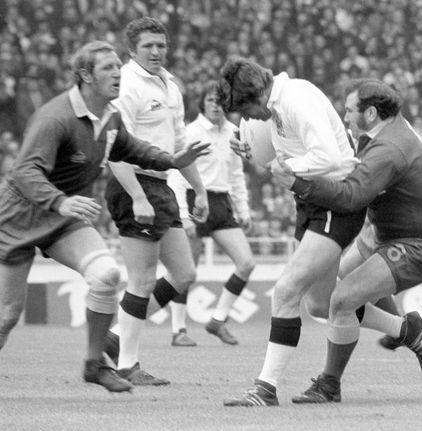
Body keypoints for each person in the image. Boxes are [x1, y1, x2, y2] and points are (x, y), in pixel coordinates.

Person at [0, 40, 209, 392]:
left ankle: (94, 364)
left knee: (106, 275)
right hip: (22, 217)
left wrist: (173, 161)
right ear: (84, 75)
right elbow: (24, 172)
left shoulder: (110, 116)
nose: (117, 73)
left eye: (117, 66)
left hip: (65, 217)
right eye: (108, 68)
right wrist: (60, 202)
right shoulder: (56, 117)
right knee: (7, 315)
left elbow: (132, 148)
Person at [269, 78, 422, 404]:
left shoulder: (389, 149)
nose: (344, 117)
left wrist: (297, 183)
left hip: (421, 244)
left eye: (349, 110)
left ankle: (329, 385)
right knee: (318, 302)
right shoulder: (382, 134)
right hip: (383, 232)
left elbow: (351, 196)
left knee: (341, 301)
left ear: (370, 113)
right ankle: (404, 329)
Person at [216, 57, 367, 407]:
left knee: (285, 291)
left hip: (334, 200)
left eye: (246, 111)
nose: (249, 119)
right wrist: (256, 155)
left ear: (255, 94)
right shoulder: (279, 106)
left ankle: (265, 388)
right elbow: (286, 160)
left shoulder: (295, 99)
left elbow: (329, 157)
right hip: (312, 202)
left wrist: (288, 169)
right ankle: (405, 330)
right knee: (319, 303)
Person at [103, 17, 209, 386]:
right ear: (131, 50)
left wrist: (200, 189)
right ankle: (126, 364)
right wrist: (136, 196)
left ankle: (115, 338)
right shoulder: (127, 85)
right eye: (148, 45)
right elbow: (115, 149)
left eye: (161, 45)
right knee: (142, 279)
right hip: (134, 184)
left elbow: (180, 145)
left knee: (184, 274)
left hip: (162, 185)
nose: (156, 52)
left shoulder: (170, 85)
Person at [167, 81, 256, 345]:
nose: (216, 105)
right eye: (210, 100)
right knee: (186, 270)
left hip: (221, 203)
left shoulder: (234, 132)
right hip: (195, 200)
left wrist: (243, 209)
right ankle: (178, 330)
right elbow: (178, 174)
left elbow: (236, 174)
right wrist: (183, 214)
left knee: (246, 263)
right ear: (202, 103)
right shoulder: (190, 131)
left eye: (220, 101)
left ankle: (218, 320)